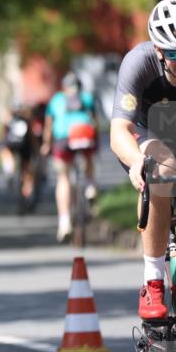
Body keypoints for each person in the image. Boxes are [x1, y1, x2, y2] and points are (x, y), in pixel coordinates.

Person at [110, 0, 176, 334]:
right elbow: (119, 130)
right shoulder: (138, 63)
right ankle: (154, 280)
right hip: (149, 138)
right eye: (175, 54)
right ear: (158, 50)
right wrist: (136, 161)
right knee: (163, 167)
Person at [42, 72, 99, 243]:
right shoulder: (87, 97)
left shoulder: (56, 99)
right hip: (84, 134)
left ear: (64, 87)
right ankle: (90, 186)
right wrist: (95, 144)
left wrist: (46, 144)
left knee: (63, 177)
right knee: (89, 157)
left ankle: (64, 221)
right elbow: (95, 121)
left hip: (63, 138)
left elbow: (49, 124)